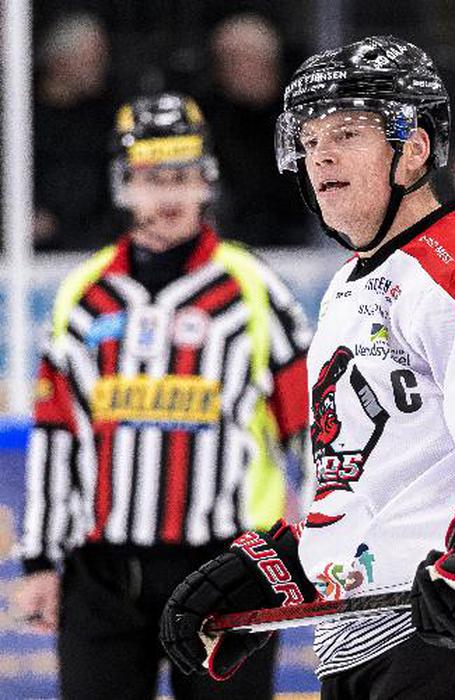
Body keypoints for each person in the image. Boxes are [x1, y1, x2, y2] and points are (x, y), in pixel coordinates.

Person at [159, 36, 455, 698]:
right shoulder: (350, 286)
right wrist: (281, 570)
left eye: (347, 133)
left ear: (413, 149)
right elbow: (372, 482)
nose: (320, 155)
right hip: (362, 642)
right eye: (308, 140)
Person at [14, 92, 312, 699]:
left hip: (229, 567)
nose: (169, 195)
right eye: (152, 179)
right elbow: (56, 433)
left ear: (207, 181)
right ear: (124, 186)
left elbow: (311, 427)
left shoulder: (254, 291)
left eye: (182, 176)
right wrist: (41, 562)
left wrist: (311, 541)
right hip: (104, 574)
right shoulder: (84, 294)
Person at [196, 12, 311, 247]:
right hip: (228, 243)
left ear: (270, 63)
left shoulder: (304, 119)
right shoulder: (206, 123)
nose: (235, 70)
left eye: (244, 59)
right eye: (226, 61)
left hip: (302, 247)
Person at [33, 12, 116, 251]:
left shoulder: (104, 118)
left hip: (91, 247)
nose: (102, 67)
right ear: (59, 62)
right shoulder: (20, 118)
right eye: (93, 60)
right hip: (30, 254)